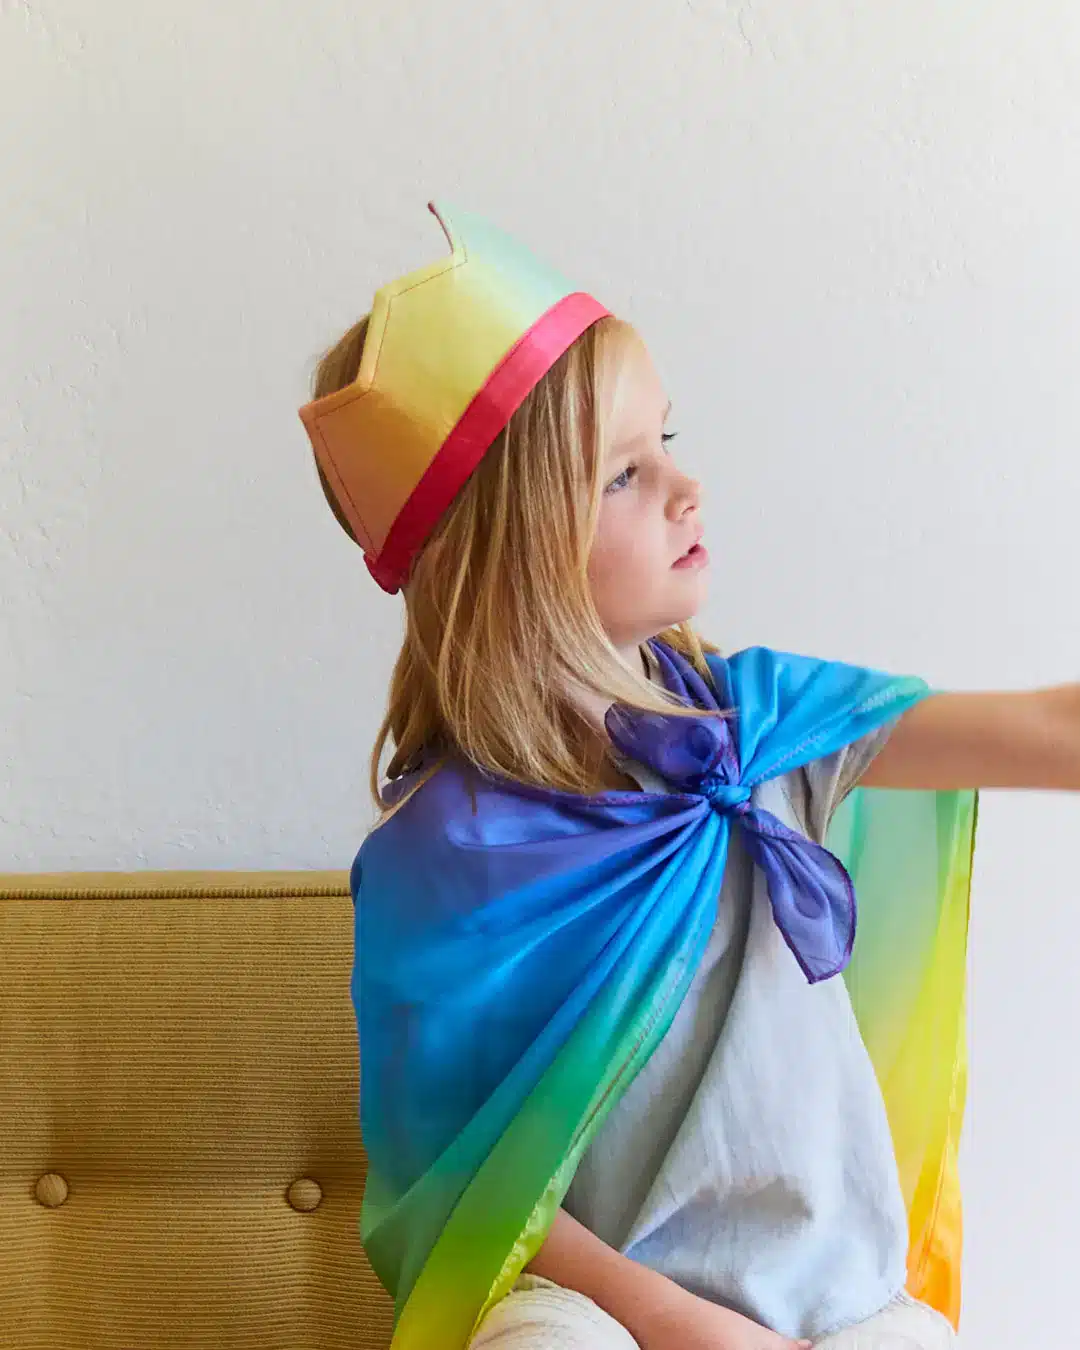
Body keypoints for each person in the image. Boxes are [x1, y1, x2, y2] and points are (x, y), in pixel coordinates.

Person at [297, 201, 1075, 1350]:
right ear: (508, 550)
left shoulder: (767, 724)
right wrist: (669, 1320)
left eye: (667, 439)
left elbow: (1050, 730)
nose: (684, 485)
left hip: (838, 1301)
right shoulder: (441, 857)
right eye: (622, 474)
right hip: (592, 1303)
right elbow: (457, 1181)